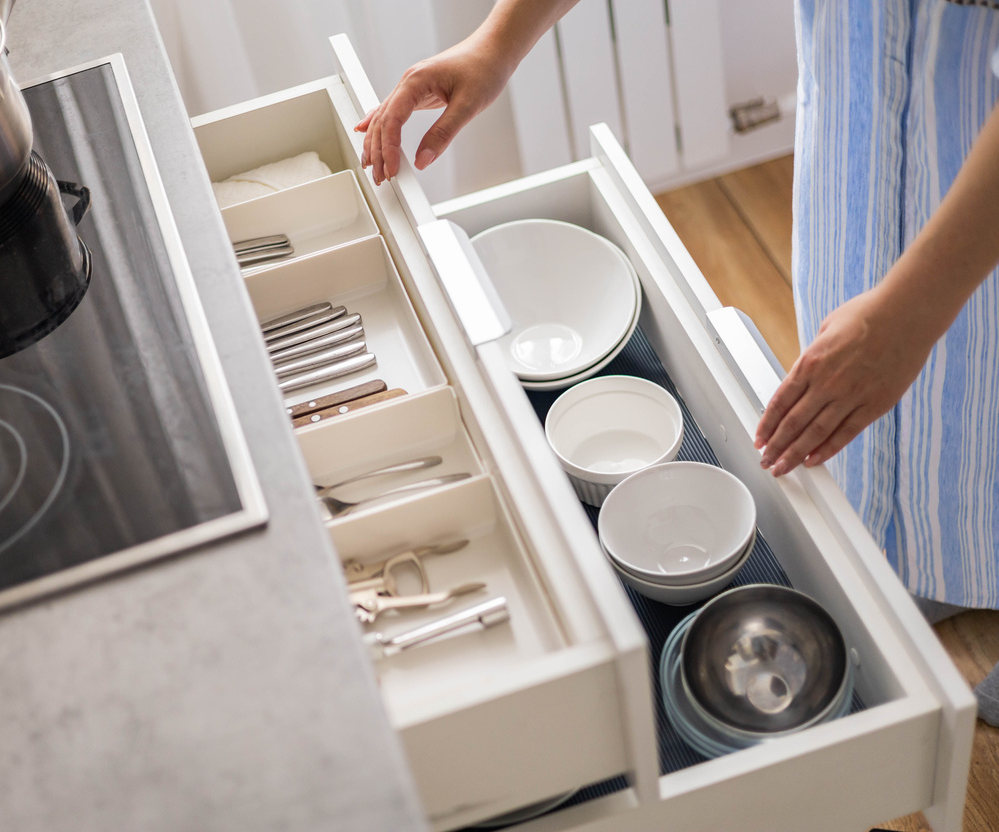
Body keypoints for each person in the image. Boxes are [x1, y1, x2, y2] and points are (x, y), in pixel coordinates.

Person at [358, 0, 999, 723]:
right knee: (910, 405)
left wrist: (911, 312)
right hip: (865, 109)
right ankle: (927, 545)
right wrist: (497, 42)